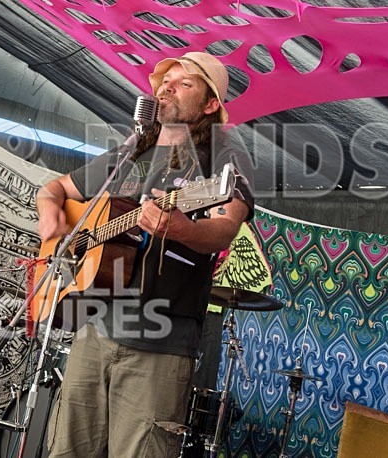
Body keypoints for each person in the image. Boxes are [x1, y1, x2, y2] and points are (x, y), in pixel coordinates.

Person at [36, 51, 255, 457]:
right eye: (165, 80)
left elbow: (225, 226)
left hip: (160, 345)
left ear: (210, 105)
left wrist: (184, 229)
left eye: (184, 82)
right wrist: (52, 218)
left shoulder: (223, 152)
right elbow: (54, 189)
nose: (167, 86)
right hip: (93, 330)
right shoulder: (131, 151)